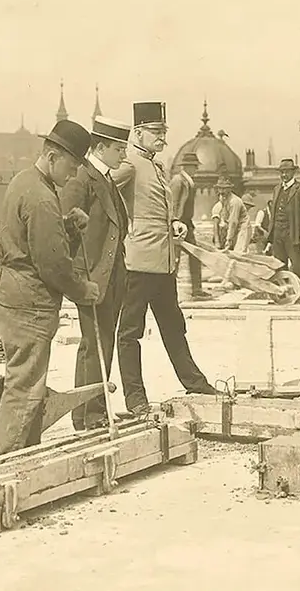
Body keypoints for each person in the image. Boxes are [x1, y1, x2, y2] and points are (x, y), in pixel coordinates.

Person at [0, 120, 100, 457]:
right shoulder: (43, 198)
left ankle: (25, 454)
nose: (74, 174)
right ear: (52, 156)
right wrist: (82, 289)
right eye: (72, 165)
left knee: (24, 379)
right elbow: (52, 265)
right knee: (25, 386)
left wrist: (68, 229)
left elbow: (30, 241)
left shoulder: (25, 182)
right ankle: (3, 464)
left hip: (10, 294)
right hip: (27, 301)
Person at [113, 100, 218, 418]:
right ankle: (135, 399)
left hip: (163, 262)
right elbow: (101, 194)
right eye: (157, 133)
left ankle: (195, 383)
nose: (163, 139)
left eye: (164, 132)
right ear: (138, 133)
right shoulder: (128, 164)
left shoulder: (157, 167)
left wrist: (174, 221)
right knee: (130, 332)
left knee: (174, 325)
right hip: (139, 263)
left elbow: (159, 208)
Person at [60, 116, 131, 431]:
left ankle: (94, 409)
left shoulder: (107, 179)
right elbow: (65, 230)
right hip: (91, 276)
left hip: (112, 275)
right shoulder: (81, 180)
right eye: (119, 148)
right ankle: (88, 415)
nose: (124, 155)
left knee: (102, 342)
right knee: (94, 344)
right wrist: (77, 277)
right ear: (100, 147)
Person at [264, 158, 300, 295]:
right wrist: (270, 236)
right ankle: (282, 294)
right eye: (282, 172)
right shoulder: (277, 189)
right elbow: (273, 214)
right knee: (279, 265)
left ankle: (298, 295)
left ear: (293, 172)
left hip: (293, 232)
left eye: (287, 172)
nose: (284, 175)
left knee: (296, 265)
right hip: (278, 232)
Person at [169, 152, 207, 299]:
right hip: (178, 225)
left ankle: (197, 289)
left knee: (195, 256)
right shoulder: (178, 181)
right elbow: (173, 203)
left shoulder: (189, 181)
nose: (196, 169)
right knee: (175, 259)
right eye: (194, 166)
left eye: (196, 166)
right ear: (186, 166)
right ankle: (169, 292)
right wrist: (174, 221)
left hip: (187, 225)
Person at [210, 176, 246, 251]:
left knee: (238, 252)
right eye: (219, 188)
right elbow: (216, 223)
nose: (221, 191)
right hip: (230, 229)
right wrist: (217, 241)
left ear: (230, 189)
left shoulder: (234, 202)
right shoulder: (222, 200)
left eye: (224, 189)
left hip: (242, 228)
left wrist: (228, 240)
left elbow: (233, 222)